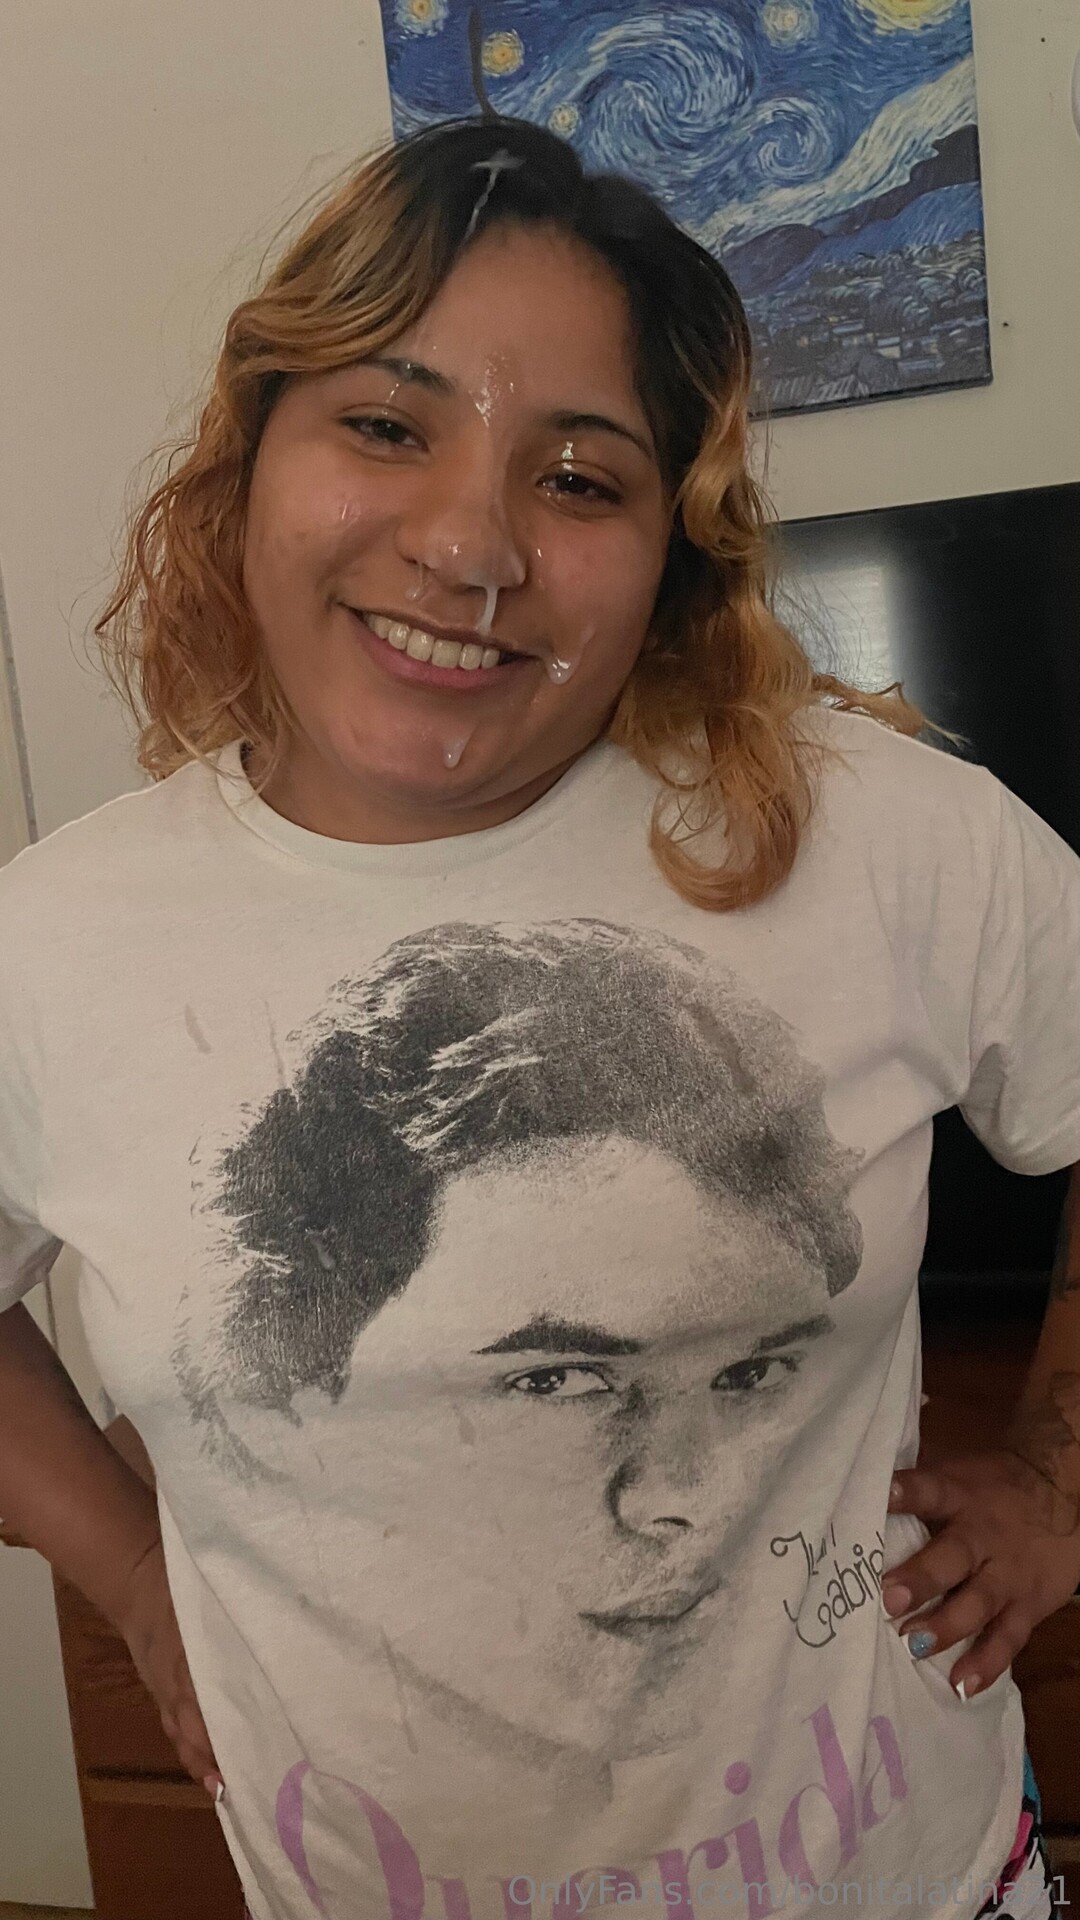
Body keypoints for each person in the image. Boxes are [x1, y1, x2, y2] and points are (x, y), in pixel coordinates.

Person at [0, 115, 1077, 1920]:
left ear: (673, 548)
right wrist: (127, 1574)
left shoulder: (882, 836)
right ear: (248, 458)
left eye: (580, 478)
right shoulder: (49, 947)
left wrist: (1057, 1483)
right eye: (385, 424)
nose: (469, 544)